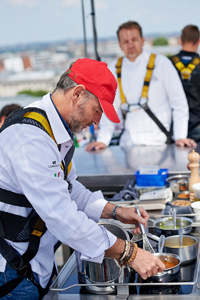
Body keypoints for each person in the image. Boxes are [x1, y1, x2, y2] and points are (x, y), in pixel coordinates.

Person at [0, 58, 165, 299]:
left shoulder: (54, 129)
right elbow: (61, 216)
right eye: (97, 110)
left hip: (36, 262)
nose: (98, 121)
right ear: (77, 94)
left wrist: (117, 211)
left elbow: (69, 189)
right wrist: (129, 253)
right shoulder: (30, 137)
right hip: (12, 268)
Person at [85, 21, 197, 152]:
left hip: (161, 143)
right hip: (128, 146)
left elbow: (179, 103)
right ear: (120, 45)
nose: (130, 44)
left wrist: (180, 136)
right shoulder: (112, 70)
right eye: (125, 41)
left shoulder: (162, 64)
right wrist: (103, 140)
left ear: (143, 40)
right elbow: (109, 108)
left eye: (134, 39)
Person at [169, 25, 200, 142]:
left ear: (180, 41)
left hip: (174, 125)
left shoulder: (168, 64)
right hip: (197, 124)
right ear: (198, 41)